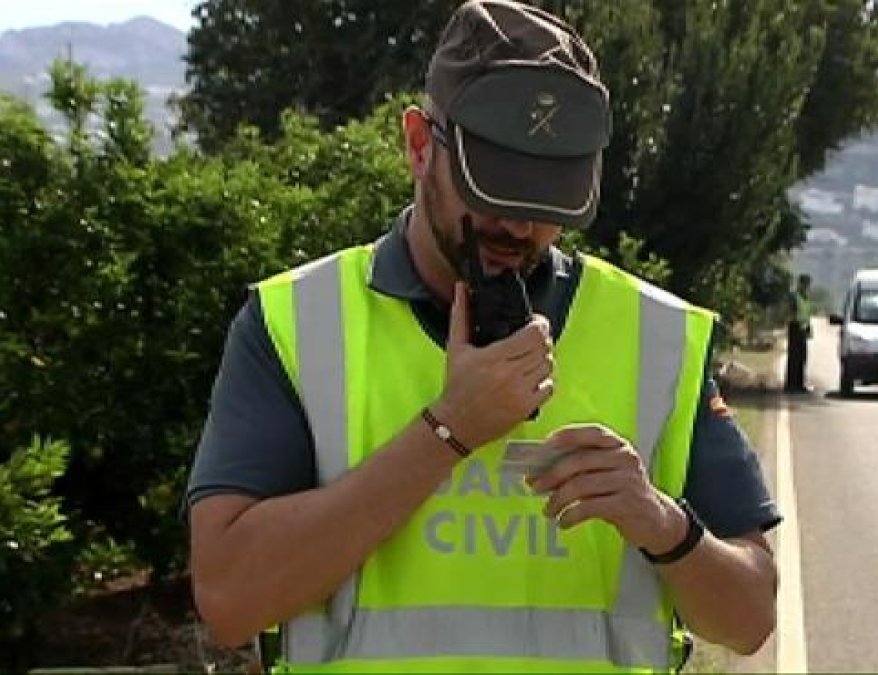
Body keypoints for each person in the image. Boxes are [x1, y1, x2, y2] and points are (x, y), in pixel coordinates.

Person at [186, 1, 780, 672]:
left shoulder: (662, 336)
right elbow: (229, 597)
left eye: (548, 197)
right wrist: (447, 431)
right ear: (417, 143)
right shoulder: (294, 322)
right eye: (495, 184)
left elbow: (751, 618)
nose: (521, 224)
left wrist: (665, 526)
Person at [785, 273, 814, 392]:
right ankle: (791, 384)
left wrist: (808, 328)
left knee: (802, 358)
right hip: (795, 327)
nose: (807, 286)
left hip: (803, 328)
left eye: (808, 284)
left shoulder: (805, 297)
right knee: (794, 358)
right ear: (800, 283)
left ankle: (800, 384)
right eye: (805, 283)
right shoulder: (794, 296)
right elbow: (791, 312)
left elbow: (806, 314)